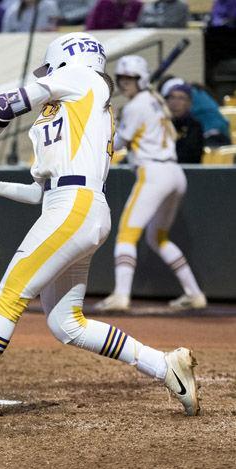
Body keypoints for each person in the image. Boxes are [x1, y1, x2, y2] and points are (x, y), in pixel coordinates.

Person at [0, 32, 200, 422]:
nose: (47, 75)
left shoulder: (80, 79)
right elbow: (38, 193)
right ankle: (162, 364)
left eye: (50, 69)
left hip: (74, 207)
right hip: (70, 206)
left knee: (10, 294)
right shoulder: (69, 110)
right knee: (66, 324)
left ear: (65, 60)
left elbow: (4, 105)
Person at [95, 56, 206, 312]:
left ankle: (121, 296)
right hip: (175, 174)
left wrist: (104, 132)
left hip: (153, 172)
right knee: (158, 237)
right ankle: (194, 293)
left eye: (130, 79)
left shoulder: (138, 104)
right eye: (122, 79)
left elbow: (119, 143)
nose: (124, 84)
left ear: (140, 79)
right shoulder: (155, 100)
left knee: (126, 234)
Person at [160, 76, 231, 147]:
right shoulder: (198, 91)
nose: (174, 102)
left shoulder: (189, 97)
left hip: (210, 138)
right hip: (223, 133)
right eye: (171, 98)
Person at [164, 82, 204, 164]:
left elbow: (191, 155)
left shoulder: (194, 126)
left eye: (181, 98)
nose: (175, 102)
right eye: (172, 98)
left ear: (189, 103)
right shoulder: (161, 124)